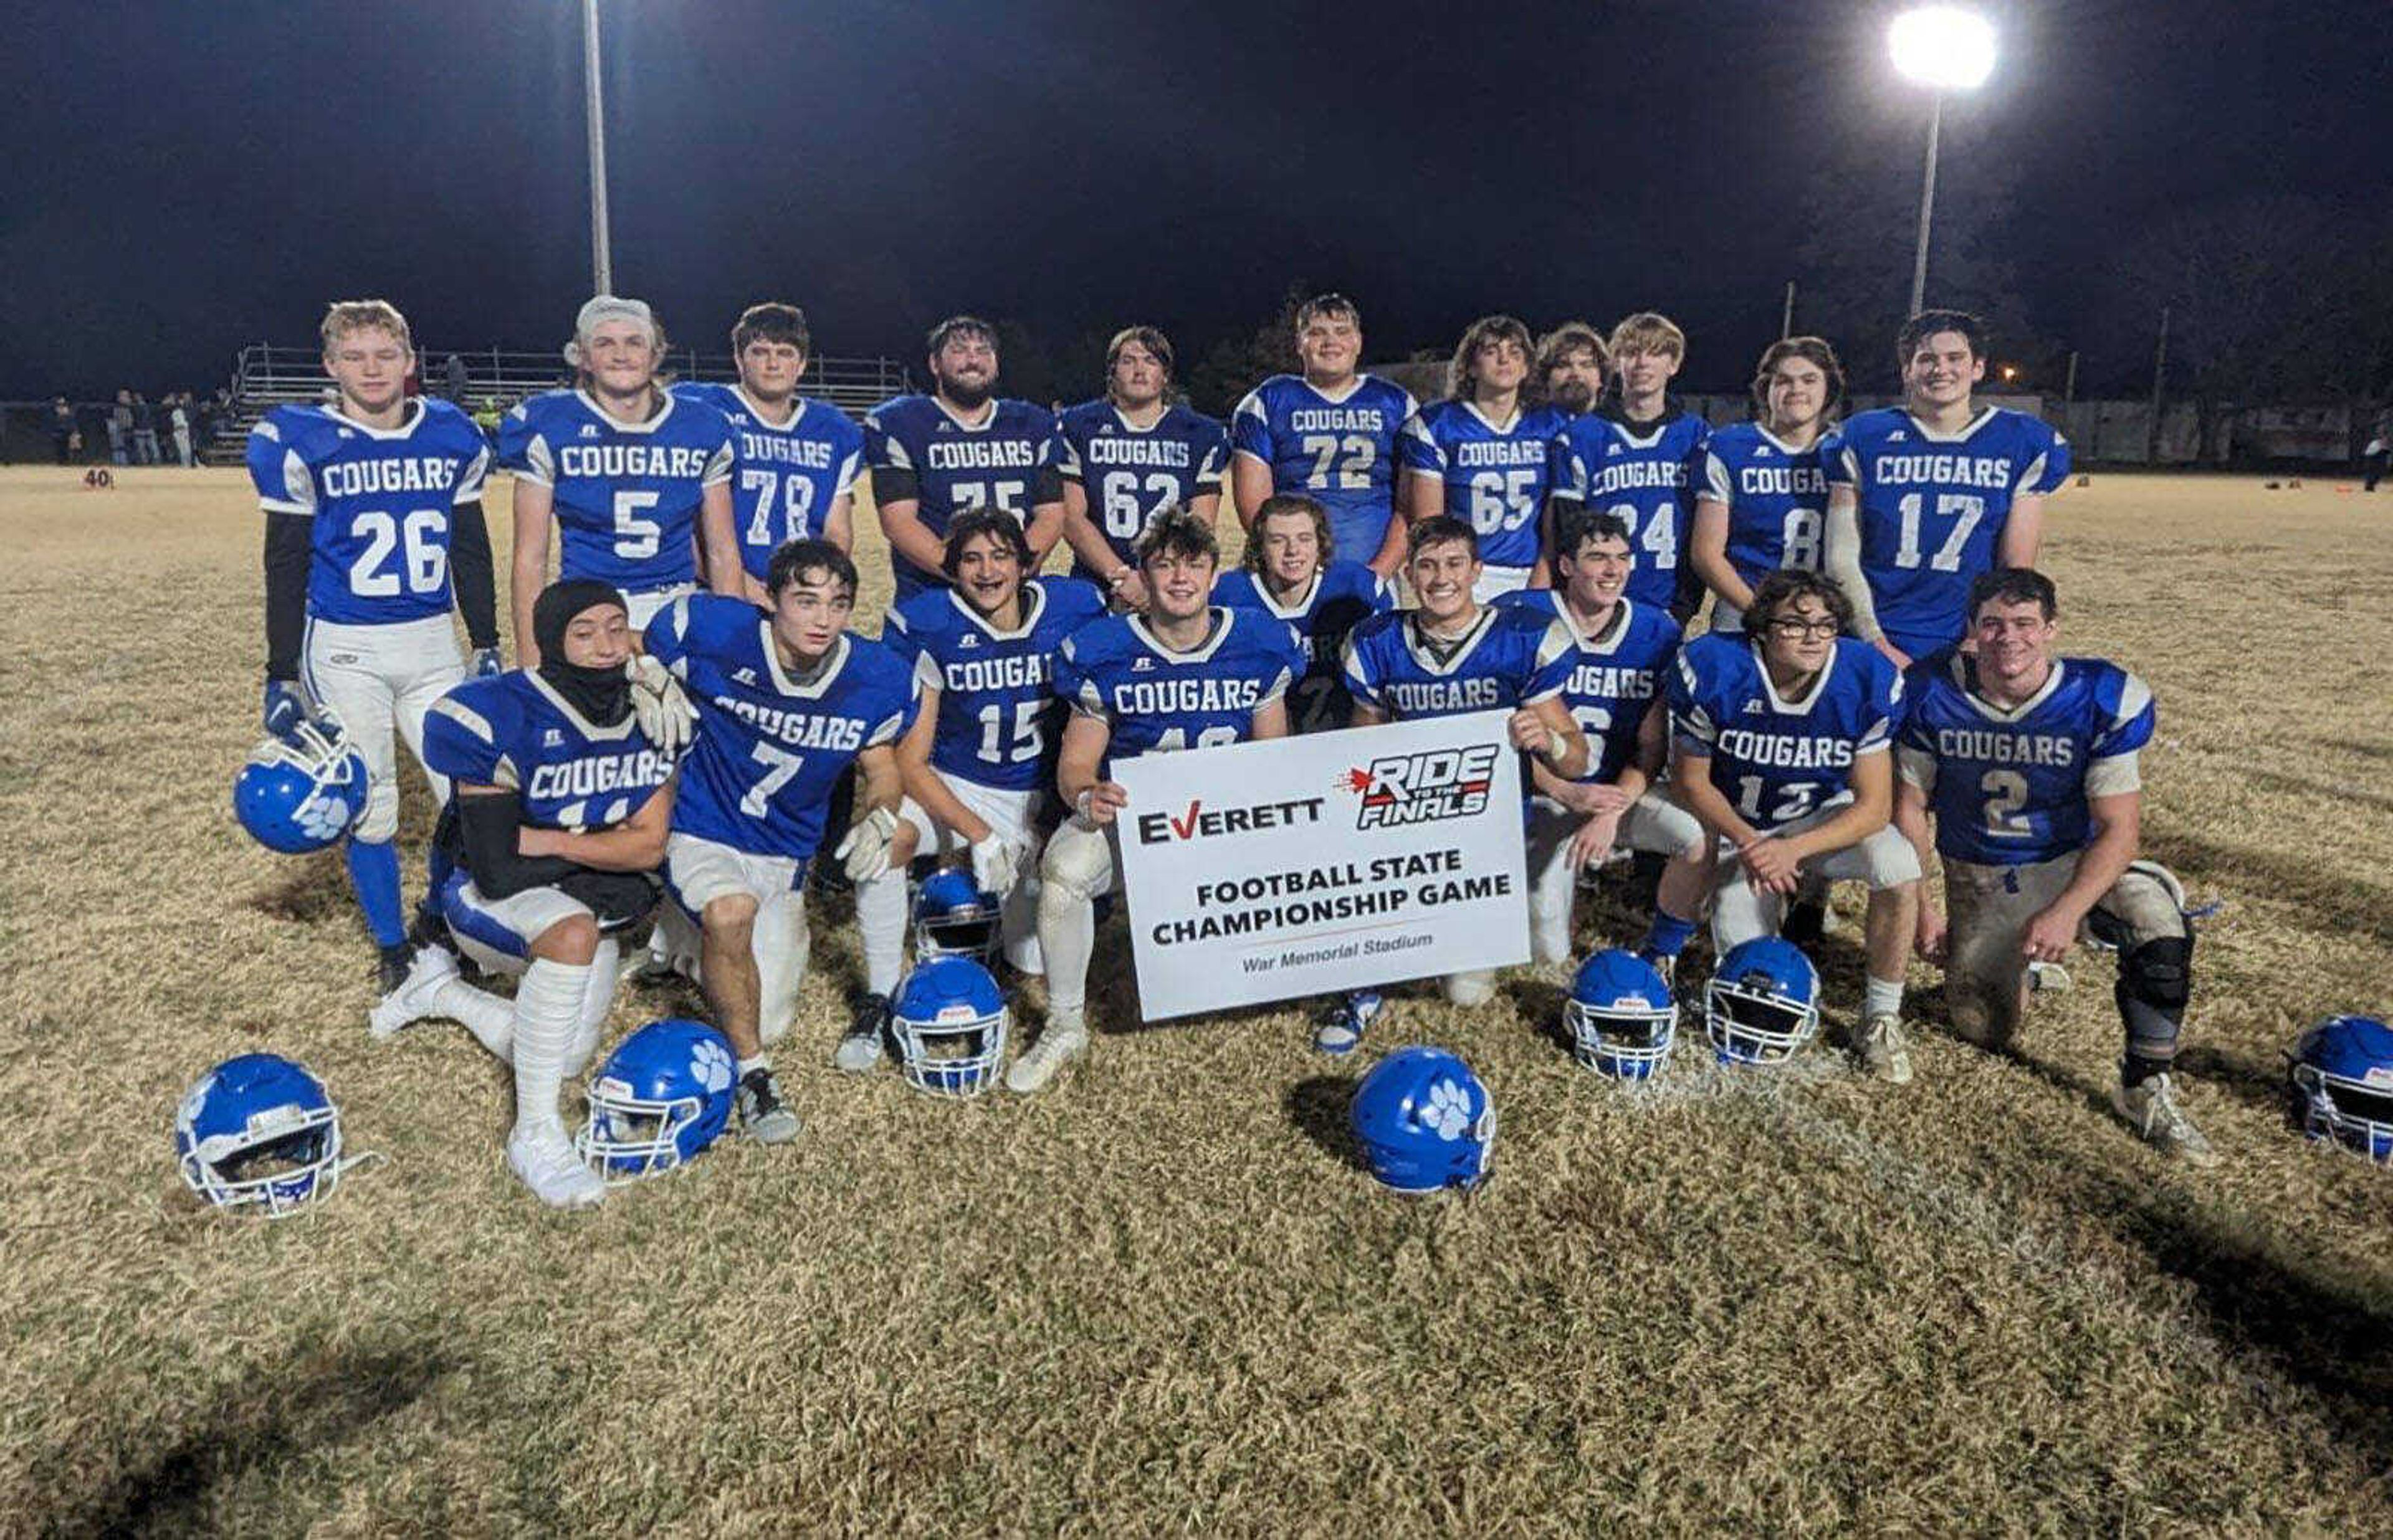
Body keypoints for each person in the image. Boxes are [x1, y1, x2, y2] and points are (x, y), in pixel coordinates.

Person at [1895, 569, 2213, 1161]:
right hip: (1981, 875)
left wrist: (2068, 911)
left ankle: (2143, 1085)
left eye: (2024, 625)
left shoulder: (2099, 698)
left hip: (2071, 864)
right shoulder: (1930, 692)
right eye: (1992, 624)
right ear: (1971, 631)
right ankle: (2023, 968)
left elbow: (2120, 831)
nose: (2008, 639)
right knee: (1979, 1026)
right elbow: (1908, 810)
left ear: (2050, 630)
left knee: (2158, 922)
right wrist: (1923, 908)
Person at [246, 298, 503, 1009]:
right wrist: (280, 670)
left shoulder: (449, 433)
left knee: (471, 795)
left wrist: (485, 640)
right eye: (354, 356)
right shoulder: (304, 440)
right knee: (375, 804)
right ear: (330, 366)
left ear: (410, 362)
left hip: (431, 643)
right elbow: (285, 564)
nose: (371, 369)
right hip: (347, 647)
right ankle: (394, 948)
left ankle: (448, 921)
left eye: (385, 355)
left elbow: (472, 549)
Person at [391, 581, 676, 1209]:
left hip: (565, 880)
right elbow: (496, 867)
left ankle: (439, 991)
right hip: (479, 894)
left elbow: (649, 847)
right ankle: (536, 1135)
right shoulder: (497, 713)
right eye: (585, 632)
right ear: (552, 641)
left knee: (568, 1056)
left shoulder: (652, 709)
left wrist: (553, 843)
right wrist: (600, 855)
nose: (606, 646)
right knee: (575, 934)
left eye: (616, 626)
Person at [1011, 510, 1304, 1093]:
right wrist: (1085, 796)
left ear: (1214, 575)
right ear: (1143, 575)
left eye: (1193, 565)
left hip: (1228, 821)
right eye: (1164, 566)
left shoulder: (1258, 643)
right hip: (1141, 823)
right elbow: (1074, 765)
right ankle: (1066, 1022)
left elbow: (1276, 761)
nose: (1179, 579)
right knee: (1065, 871)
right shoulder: (1107, 649)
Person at [644, 540, 920, 1138]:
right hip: (704, 828)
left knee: (767, 1015)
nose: (823, 618)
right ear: (769, 601)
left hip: (784, 854)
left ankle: (684, 936)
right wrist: (646, 673)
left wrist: (880, 814)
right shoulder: (717, 630)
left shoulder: (874, 677)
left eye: (838, 604)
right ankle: (754, 1076)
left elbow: (882, 768)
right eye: (806, 600)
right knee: (729, 910)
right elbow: (640, 640)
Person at [859, 510, 1109, 1063]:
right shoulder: (930, 624)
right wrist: (979, 835)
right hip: (960, 784)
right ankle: (876, 997)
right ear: (952, 571)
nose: (987, 570)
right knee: (884, 843)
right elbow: (913, 760)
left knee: (1030, 963)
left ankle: (1001, 922)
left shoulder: (1073, 609)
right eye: (971, 559)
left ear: (1025, 564)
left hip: (1040, 795)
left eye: (1000, 556)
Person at [1332, 515, 1590, 1048]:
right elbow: (1362, 750)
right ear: (1408, 573)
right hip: (1411, 826)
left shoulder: (1519, 639)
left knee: (1467, 993)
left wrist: (1547, 739)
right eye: (1426, 566)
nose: (1440, 578)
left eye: (1454, 564)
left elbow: (1578, 760)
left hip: (1490, 834)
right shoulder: (1380, 643)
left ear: (1477, 571)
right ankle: (1368, 977)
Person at [1666, 569, 1923, 1080]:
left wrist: (1795, 850)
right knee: (1752, 977)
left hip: (1815, 822)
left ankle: (1880, 1016)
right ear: (1760, 628)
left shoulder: (1863, 676)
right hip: (1740, 827)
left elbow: (1874, 807)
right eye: (1795, 624)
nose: (1813, 637)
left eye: (1827, 626)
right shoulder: (1716, 666)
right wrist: (1750, 842)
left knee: (1898, 865)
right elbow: (1691, 782)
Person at [1495, 508, 1708, 979]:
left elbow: (1651, 748)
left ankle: (1663, 951)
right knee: (1547, 948)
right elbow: (1500, 734)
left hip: (1615, 794)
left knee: (1694, 836)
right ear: (1567, 565)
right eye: (1597, 558)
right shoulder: (1519, 616)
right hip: (1542, 793)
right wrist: (1564, 792)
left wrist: (1611, 809)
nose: (1613, 571)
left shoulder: (1656, 632)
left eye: (1622, 558)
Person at [1821, 309, 2071, 668]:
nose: (1941, 369)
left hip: (1967, 634)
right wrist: (1872, 639)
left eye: (1955, 358)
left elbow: (2014, 567)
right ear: (1908, 371)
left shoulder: (2020, 441)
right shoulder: (1862, 437)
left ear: (1978, 368)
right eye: (1926, 359)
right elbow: (1841, 555)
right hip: (1875, 629)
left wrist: (1977, 638)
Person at [500, 295, 742, 657]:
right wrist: (530, 662)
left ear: (656, 354)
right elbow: (530, 559)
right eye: (605, 343)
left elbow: (722, 551)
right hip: (588, 607)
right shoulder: (550, 424)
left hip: (675, 604)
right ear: (582, 356)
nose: (621, 354)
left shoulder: (701, 425)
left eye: (634, 342)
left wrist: (733, 641)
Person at [864, 315, 1066, 602]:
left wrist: (1010, 573)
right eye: (960, 350)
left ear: (996, 364)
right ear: (935, 364)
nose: (973, 359)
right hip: (933, 598)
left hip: (1015, 598)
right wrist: (974, 575)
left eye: (983, 351)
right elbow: (899, 523)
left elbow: (1051, 515)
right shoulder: (903, 422)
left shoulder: (1032, 423)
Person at [672, 302, 863, 582]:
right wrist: (748, 589)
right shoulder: (705, 411)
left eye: (785, 353)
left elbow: (837, 533)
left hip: (800, 592)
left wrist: (808, 592)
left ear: (802, 365)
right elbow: (683, 528)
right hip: (718, 586)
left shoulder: (834, 430)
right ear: (739, 359)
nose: (773, 364)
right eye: (760, 352)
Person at [1230, 293, 1418, 577]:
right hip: (1291, 571)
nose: (1331, 342)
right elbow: (1255, 509)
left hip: (1374, 564)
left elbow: (1411, 505)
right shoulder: (1267, 402)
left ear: (1358, 342)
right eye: (1317, 333)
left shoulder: (1397, 403)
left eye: (1342, 332)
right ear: (1299, 344)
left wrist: (1378, 573)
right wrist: (1289, 564)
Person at [1541, 312, 1710, 616]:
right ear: (1617, 363)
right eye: (1631, 353)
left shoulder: (1698, 437)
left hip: (1670, 599)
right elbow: (1567, 529)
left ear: (1673, 364)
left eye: (1656, 353)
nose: (1642, 363)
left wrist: (1687, 602)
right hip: (1596, 600)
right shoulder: (1581, 436)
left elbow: (1706, 527)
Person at [1399, 315, 1573, 599]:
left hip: (1532, 570)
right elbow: (1428, 524)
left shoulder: (1552, 425)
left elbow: (1558, 512)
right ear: (1470, 366)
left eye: (1514, 352)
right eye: (1491, 352)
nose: (1504, 360)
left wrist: (1542, 577)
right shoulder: (1439, 424)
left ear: (1527, 367)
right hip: (1463, 572)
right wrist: (1452, 578)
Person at [1055, 325, 1229, 607]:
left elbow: (1200, 526)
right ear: (1112, 373)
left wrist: (1162, 580)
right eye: (1128, 360)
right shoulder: (1080, 426)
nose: (1139, 369)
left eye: (1151, 361)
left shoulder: (1199, 433)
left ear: (1166, 375)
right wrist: (1120, 576)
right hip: (1096, 580)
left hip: (1171, 581)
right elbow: (1071, 517)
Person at [1690, 337, 1843, 636]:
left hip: (1826, 612)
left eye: (1809, 380)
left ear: (1828, 388)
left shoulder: (1846, 450)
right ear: (1766, 388)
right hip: (1745, 605)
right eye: (1784, 381)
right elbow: (1706, 553)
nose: (1796, 389)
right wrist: (1763, 614)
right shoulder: (1731, 448)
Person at [1212, 492, 1390, 734]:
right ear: (1259, 546)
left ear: (1321, 543)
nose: (1293, 550)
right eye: (1278, 540)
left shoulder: (1356, 587)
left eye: (1304, 539)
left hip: (1347, 739)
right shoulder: (1229, 596)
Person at [1536, 321, 1609, 420]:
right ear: (1546, 378)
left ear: (1601, 378)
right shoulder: (1523, 433)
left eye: (1586, 365)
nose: (1576, 373)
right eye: (1564, 365)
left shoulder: (1615, 434)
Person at [132, 392, 161, 465]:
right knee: (141, 449)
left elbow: (155, 413)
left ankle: (156, 462)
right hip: (139, 430)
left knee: (154, 448)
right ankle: (144, 463)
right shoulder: (133, 407)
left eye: (139, 396)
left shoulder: (149, 406)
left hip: (149, 429)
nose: (137, 397)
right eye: (136, 396)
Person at [49, 398, 78, 464]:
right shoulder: (54, 417)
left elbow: (74, 428)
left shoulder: (70, 417)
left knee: (74, 441)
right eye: (59, 406)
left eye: (64, 406)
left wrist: (75, 435)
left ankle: (72, 461)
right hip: (59, 435)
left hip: (70, 434)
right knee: (59, 443)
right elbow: (52, 428)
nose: (61, 408)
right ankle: (60, 460)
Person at [169, 393, 194, 467]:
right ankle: (183, 465)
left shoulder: (184, 409)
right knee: (180, 450)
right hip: (177, 431)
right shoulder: (173, 410)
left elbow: (188, 420)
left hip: (185, 431)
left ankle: (188, 465)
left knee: (187, 450)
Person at [107, 391, 131, 466]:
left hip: (128, 430)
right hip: (117, 430)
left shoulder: (131, 407)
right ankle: (118, 464)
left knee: (126, 448)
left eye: (127, 396)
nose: (126, 398)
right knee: (117, 448)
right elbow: (112, 421)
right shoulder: (115, 408)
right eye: (124, 396)